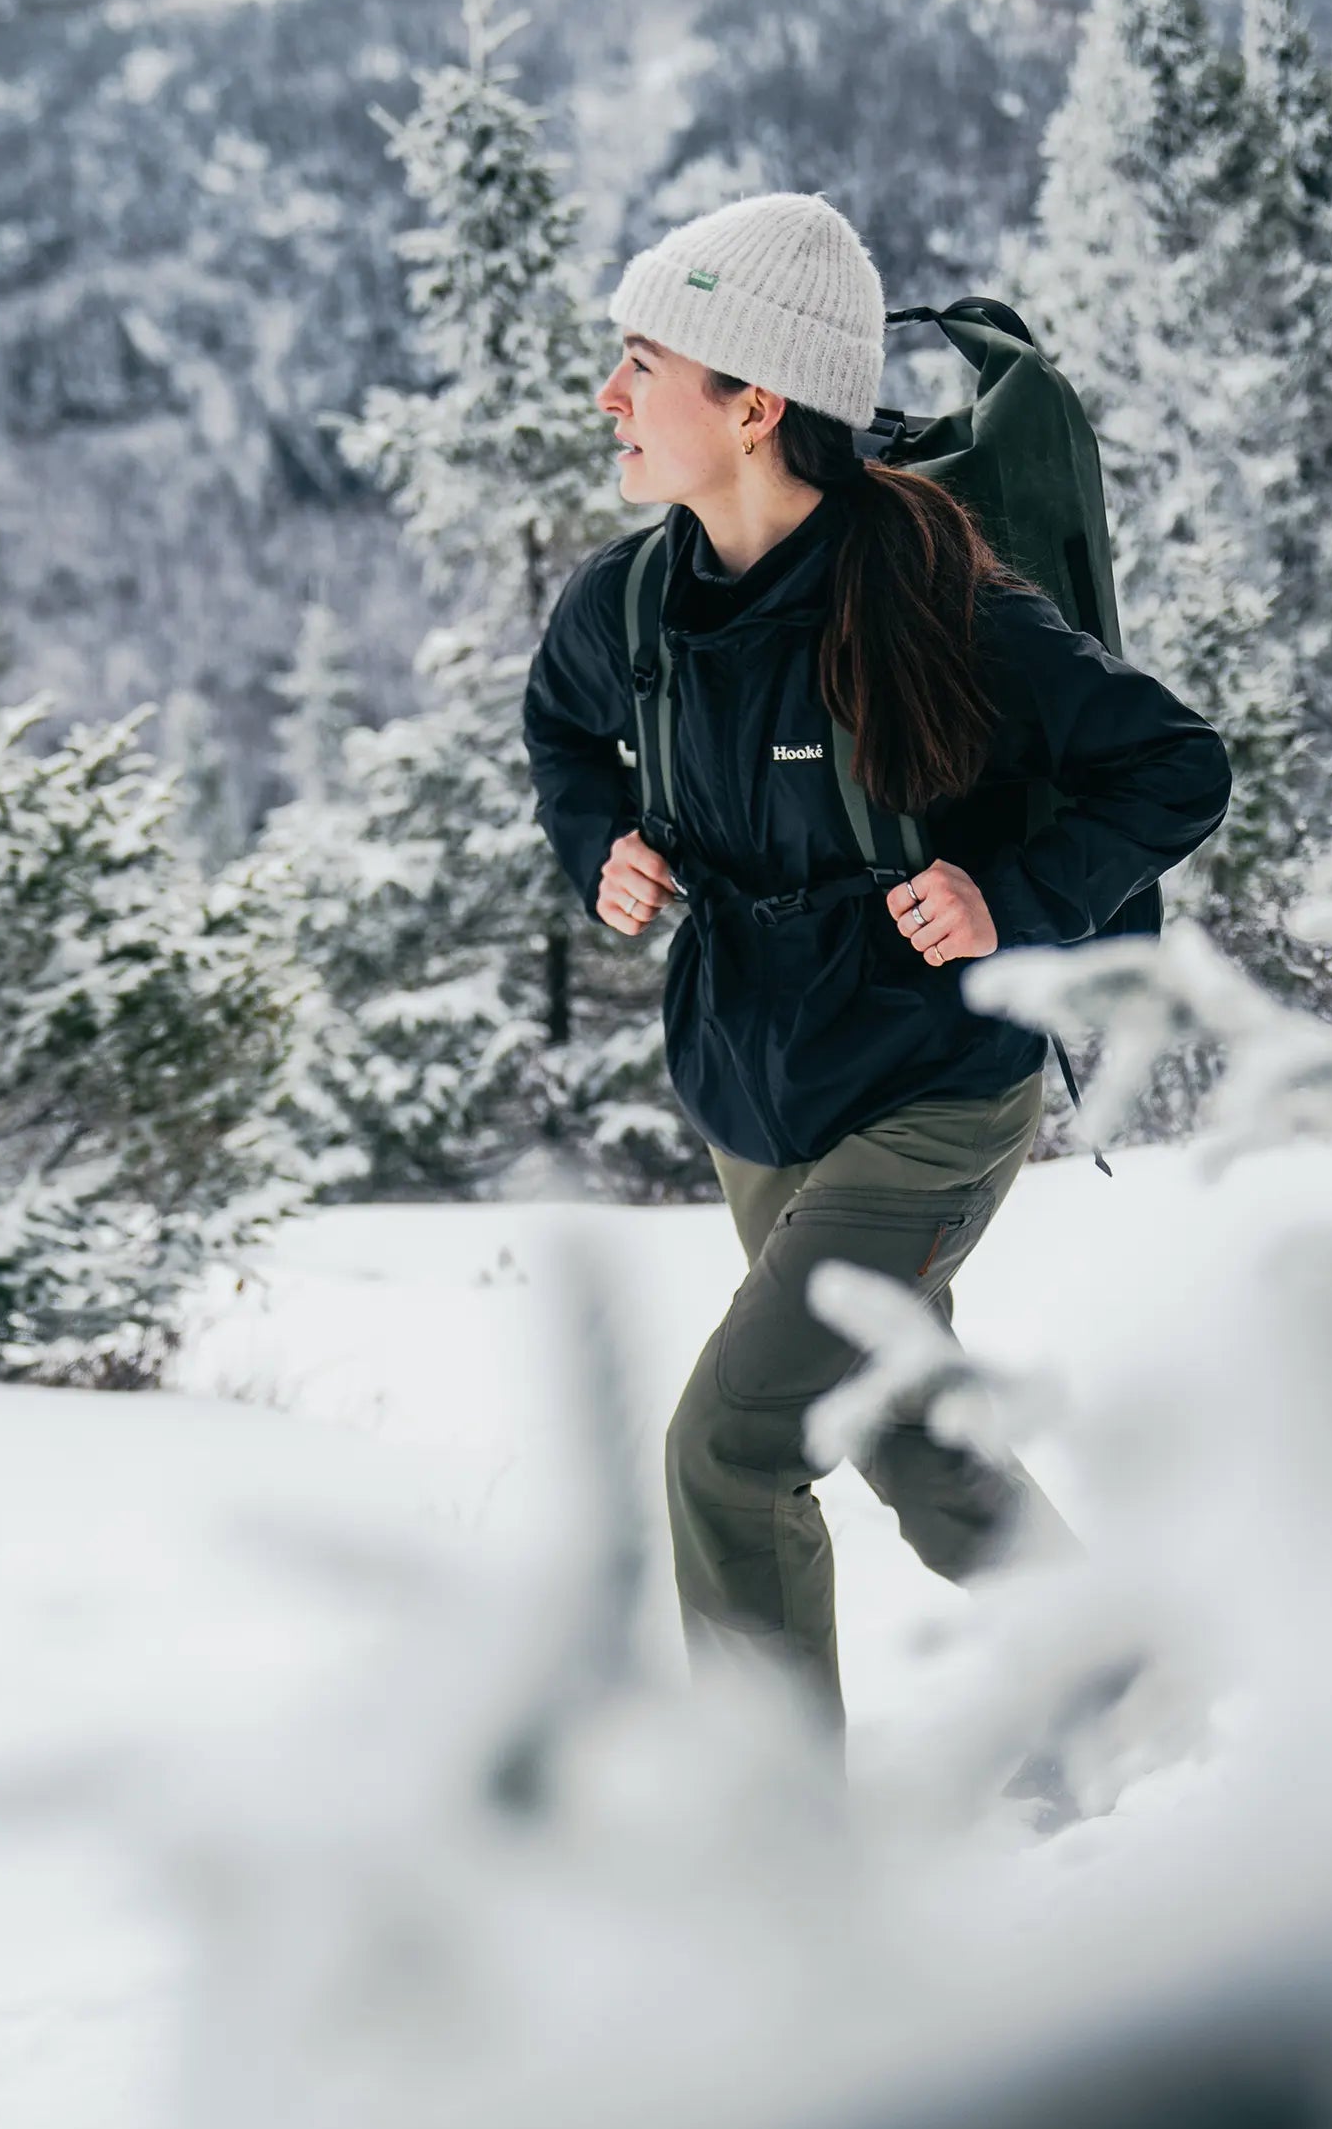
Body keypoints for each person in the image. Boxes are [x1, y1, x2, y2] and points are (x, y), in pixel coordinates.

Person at [521, 190, 1231, 1750]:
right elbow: (563, 734)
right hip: (753, 1083)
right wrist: (602, 848)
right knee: (904, 1424)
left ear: (754, 402)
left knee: (731, 1448)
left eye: (643, 363)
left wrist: (1011, 895)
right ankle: (1123, 1680)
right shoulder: (630, 602)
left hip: (926, 1090)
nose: (609, 396)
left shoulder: (936, 599)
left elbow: (1176, 766)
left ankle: (781, 1862)